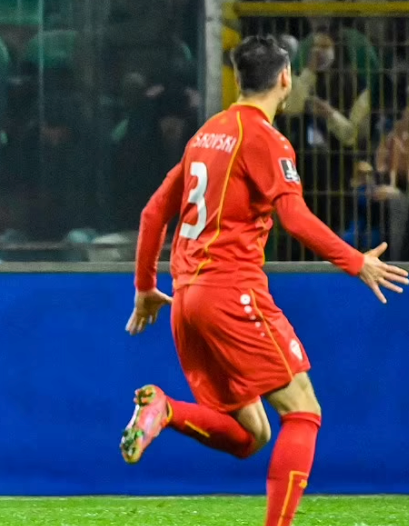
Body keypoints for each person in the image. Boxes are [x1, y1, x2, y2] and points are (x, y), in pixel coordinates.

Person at [119, 36, 408, 526]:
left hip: (187, 300)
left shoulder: (204, 135)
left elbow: (153, 214)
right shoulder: (266, 139)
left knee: (252, 433)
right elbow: (292, 216)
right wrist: (355, 261)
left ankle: (166, 410)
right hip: (233, 292)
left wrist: (145, 287)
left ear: (237, 77)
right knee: (303, 411)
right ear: (285, 78)